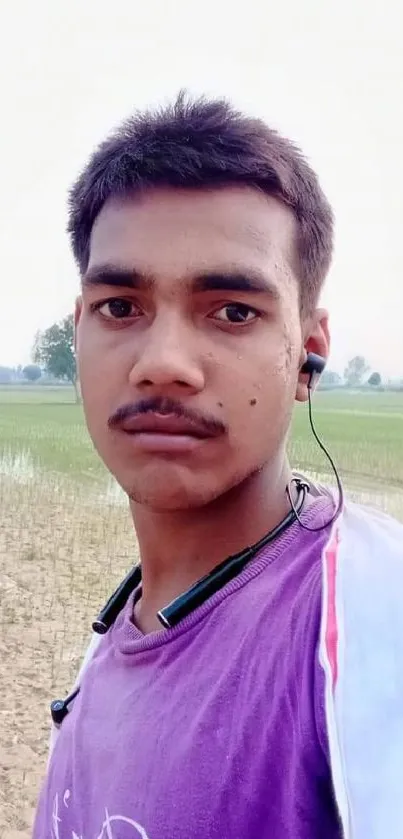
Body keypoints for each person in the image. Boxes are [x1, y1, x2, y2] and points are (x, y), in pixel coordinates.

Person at [33, 93, 403, 839]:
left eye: (232, 310)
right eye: (119, 306)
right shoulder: (110, 639)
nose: (163, 364)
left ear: (309, 349)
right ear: (79, 331)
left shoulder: (371, 617)